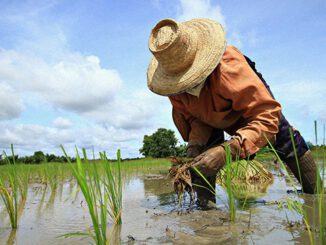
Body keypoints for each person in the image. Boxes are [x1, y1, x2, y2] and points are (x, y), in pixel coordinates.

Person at [146, 18, 319, 202]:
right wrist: (195, 145)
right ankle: (205, 207)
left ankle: (316, 194)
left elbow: (267, 118)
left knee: (285, 138)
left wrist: (228, 150)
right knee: (202, 155)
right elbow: (197, 119)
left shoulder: (228, 68)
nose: (187, 86)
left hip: (249, 110)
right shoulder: (175, 91)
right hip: (213, 118)